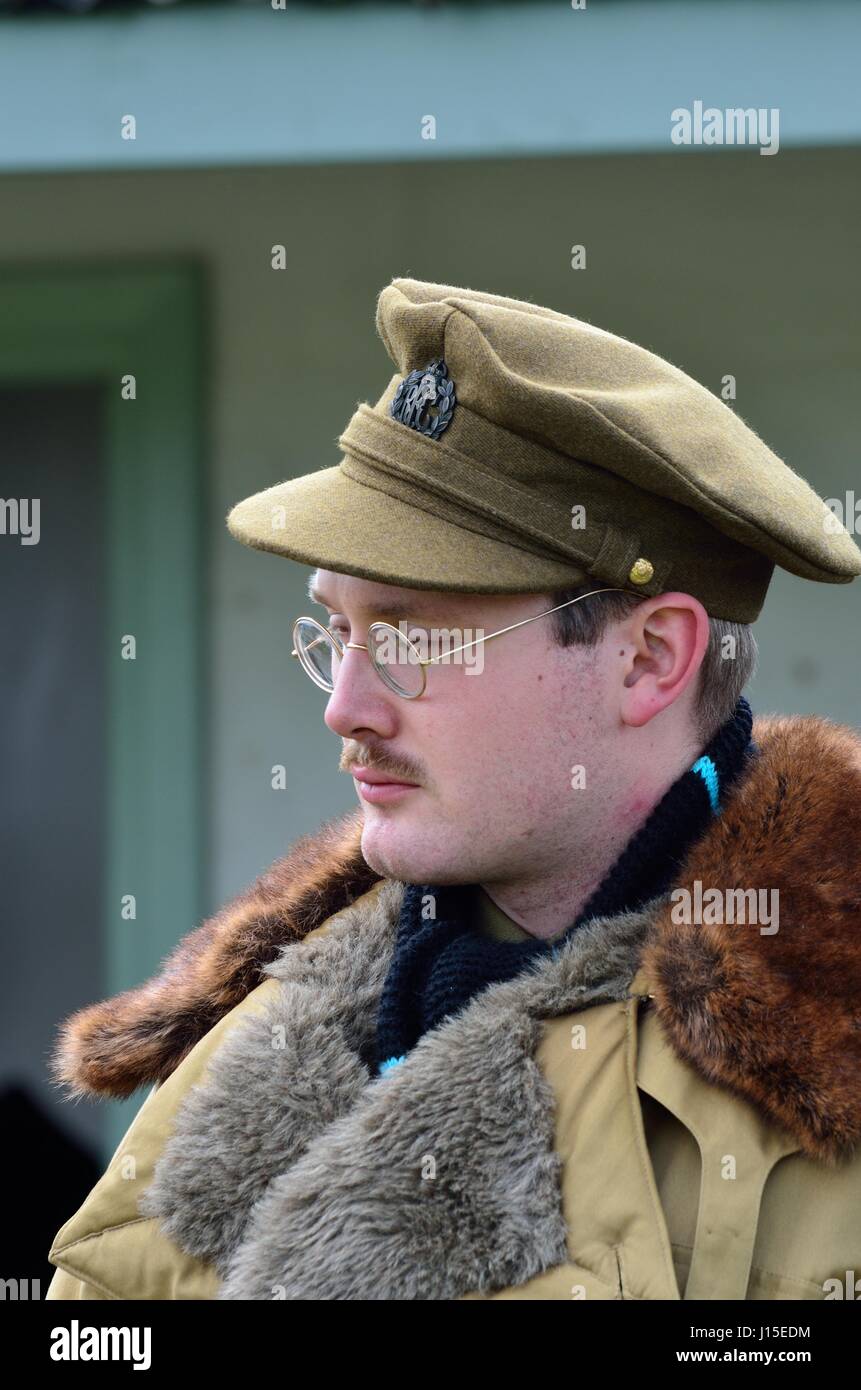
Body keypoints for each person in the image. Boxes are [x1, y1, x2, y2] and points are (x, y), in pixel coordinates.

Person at [46, 278, 861, 1300]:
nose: (345, 707)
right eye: (336, 633)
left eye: (410, 639)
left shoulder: (822, 1078)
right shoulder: (257, 1042)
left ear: (650, 658)